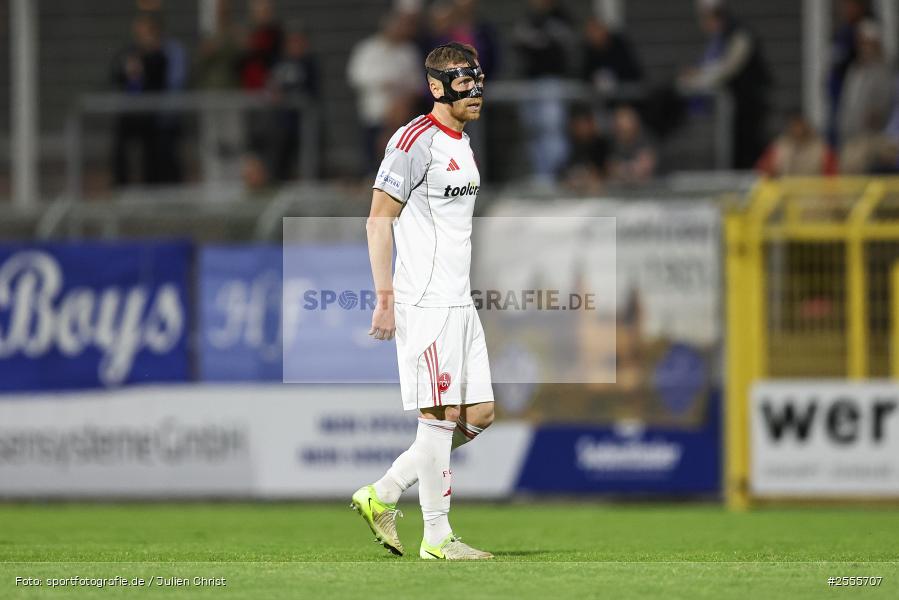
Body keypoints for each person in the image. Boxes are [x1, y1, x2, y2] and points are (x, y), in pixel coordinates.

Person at [352, 42, 494, 561]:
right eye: (463, 80)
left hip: (461, 301)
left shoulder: (463, 141)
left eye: (478, 78)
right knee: (437, 420)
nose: (474, 89)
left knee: (478, 414)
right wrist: (385, 298)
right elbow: (377, 219)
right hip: (426, 300)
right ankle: (438, 538)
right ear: (436, 87)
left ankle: (383, 492)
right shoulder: (414, 141)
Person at [680, 0, 772, 169]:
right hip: (737, 105)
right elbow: (714, 64)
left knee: (748, 147)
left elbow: (728, 67)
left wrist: (697, 80)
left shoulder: (739, 33)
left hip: (750, 103)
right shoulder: (721, 37)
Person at [347, 12, 421, 173]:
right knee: (372, 156)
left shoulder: (408, 52)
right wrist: (384, 82)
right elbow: (356, 76)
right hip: (373, 111)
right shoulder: (367, 49)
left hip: (400, 114)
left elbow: (416, 82)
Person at [513, 0, 576, 182]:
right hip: (529, 82)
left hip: (552, 82)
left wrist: (539, 43)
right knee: (532, 129)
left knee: (552, 129)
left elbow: (562, 48)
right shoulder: (527, 18)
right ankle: (542, 176)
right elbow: (518, 45)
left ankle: (556, 175)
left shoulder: (561, 17)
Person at [109, 13, 168, 186]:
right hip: (129, 110)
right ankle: (121, 186)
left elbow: (159, 78)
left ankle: (151, 186)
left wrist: (143, 62)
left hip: (149, 112)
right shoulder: (129, 52)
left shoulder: (159, 54)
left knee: (150, 152)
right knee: (120, 148)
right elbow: (116, 74)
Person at [268, 29, 320, 181]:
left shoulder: (310, 63)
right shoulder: (279, 62)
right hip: (282, 123)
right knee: (281, 160)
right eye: (291, 42)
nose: (294, 46)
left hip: (303, 124)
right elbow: (272, 85)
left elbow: (313, 91)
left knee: (305, 160)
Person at [837, 20, 893, 145]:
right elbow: (846, 101)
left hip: (871, 137)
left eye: (867, 43)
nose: (864, 47)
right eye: (861, 43)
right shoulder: (855, 69)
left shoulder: (881, 71)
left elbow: (883, 104)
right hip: (849, 135)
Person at [756, 111, 838, 177]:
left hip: (813, 193)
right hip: (784, 191)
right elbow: (763, 170)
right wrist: (771, 171)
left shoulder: (821, 149)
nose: (798, 130)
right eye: (795, 127)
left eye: (801, 127)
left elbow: (831, 177)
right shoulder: (779, 146)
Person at [580, 16, 643, 94]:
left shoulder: (619, 47)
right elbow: (585, 78)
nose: (592, 36)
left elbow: (633, 77)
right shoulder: (588, 52)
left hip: (624, 96)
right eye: (589, 32)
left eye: (595, 31)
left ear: (604, 30)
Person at [607, 105, 657, 184]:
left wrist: (625, 170)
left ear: (634, 122)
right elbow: (610, 169)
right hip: (619, 187)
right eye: (618, 123)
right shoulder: (612, 143)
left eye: (625, 121)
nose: (621, 126)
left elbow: (645, 168)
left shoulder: (645, 139)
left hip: (646, 187)